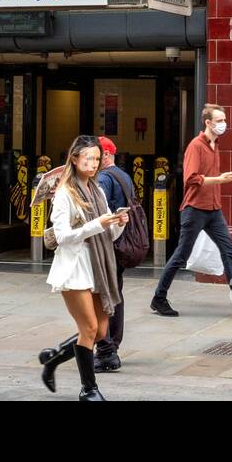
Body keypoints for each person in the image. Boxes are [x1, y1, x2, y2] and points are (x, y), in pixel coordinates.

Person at [150, 104, 232, 320]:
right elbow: (190, 178)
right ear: (208, 123)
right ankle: (159, 298)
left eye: (224, 120)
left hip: (214, 210)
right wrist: (220, 179)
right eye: (219, 120)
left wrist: (219, 181)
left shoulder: (216, 145)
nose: (224, 124)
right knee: (181, 256)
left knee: (229, 253)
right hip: (195, 209)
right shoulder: (196, 146)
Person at [39, 135, 127, 401]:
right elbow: (63, 236)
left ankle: (53, 359)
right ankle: (89, 389)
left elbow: (108, 236)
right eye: (88, 158)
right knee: (89, 328)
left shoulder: (98, 191)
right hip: (74, 268)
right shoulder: (65, 194)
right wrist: (97, 224)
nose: (93, 163)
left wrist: (118, 222)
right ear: (75, 159)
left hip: (98, 267)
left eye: (97, 159)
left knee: (100, 332)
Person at [93, 135, 133, 373]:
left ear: (106, 155)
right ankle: (112, 344)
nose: (93, 161)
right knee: (116, 293)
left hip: (108, 245)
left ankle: (106, 348)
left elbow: (100, 213)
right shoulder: (124, 175)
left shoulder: (105, 178)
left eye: (96, 156)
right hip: (122, 244)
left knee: (102, 296)